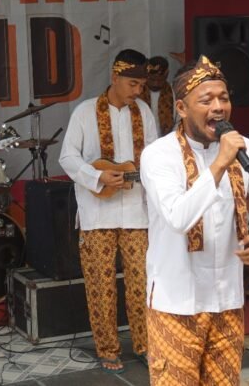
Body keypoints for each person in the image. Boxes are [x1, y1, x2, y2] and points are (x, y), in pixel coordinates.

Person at [140, 56, 249, 385]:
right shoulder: (158, 155)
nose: (218, 107)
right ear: (182, 108)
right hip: (176, 304)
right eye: (206, 100)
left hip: (227, 302)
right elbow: (178, 216)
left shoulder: (243, 148)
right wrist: (220, 164)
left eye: (223, 98)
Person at [58, 49, 158, 373]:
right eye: (132, 84)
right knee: (101, 285)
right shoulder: (85, 112)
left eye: (141, 85)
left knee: (142, 282)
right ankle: (107, 349)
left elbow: (154, 157)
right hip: (97, 214)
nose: (137, 91)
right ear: (115, 77)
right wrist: (97, 176)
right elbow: (67, 157)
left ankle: (145, 345)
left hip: (137, 214)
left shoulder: (144, 112)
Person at [138, 56, 176, 135]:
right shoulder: (137, 92)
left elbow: (179, 122)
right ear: (146, 75)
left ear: (167, 75)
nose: (156, 84)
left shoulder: (174, 93)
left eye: (160, 80)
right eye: (152, 79)